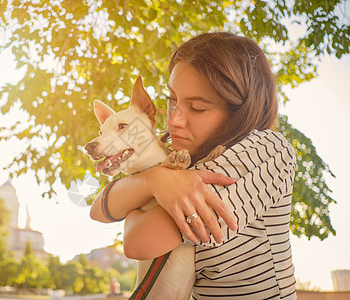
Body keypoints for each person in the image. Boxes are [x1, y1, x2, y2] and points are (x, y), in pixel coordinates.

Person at [90, 32, 297, 299]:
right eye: (172, 99)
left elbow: (138, 242)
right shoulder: (186, 155)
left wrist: (141, 190)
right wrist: (154, 181)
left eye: (197, 108)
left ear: (240, 111)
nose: (174, 119)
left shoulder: (267, 150)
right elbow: (99, 209)